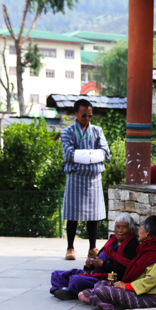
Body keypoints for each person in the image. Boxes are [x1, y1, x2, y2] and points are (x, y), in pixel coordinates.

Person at [78, 215, 156, 310]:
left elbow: (153, 279)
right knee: (101, 284)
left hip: (154, 297)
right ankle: (101, 300)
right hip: (143, 292)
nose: (139, 231)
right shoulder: (148, 248)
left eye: (140, 228)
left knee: (102, 291)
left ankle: (99, 300)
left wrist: (127, 286)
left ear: (147, 232)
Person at [60, 98, 110, 261]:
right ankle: (70, 248)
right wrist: (92, 156)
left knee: (93, 215)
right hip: (75, 177)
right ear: (76, 114)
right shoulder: (68, 132)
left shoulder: (97, 131)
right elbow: (69, 154)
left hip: (93, 178)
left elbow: (105, 153)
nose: (87, 119)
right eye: (84, 115)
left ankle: (92, 247)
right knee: (72, 214)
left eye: (90, 115)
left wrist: (81, 156)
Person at [50, 213, 139, 300]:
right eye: (117, 227)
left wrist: (103, 265)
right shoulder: (112, 241)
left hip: (107, 279)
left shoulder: (131, 246)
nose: (119, 230)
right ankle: (72, 290)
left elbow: (126, 270)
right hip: (95, 272)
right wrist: (90, 264)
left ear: (131, 230)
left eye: (124, 227)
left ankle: (71, 291)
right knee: (56, 275)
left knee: (75, 280)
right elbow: (98, 258)